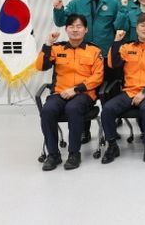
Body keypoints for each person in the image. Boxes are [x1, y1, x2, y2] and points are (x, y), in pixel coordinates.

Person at [53, 0, 121, 143]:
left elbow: (120, 25)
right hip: (83, 58)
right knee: (81, 94)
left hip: (106, 56)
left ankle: (110, 130)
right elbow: (61, 22)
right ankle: (84, 130)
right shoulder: (76, 4)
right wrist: (58, 9)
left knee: (109, 95)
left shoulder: (112, 3)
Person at [101, 13, 145, 163]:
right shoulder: (127, 47)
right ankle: (112, 146)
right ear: (136, 28)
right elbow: (112, 64)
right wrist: (116, 42)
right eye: (142, 25)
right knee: (107, 109)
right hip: (129, 91)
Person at [36, 15, 103, 171]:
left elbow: (98, 77)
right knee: (47, 110)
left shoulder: (94, 51)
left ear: (86, 30)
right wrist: (48, 44)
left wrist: (76, 89)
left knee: (73, 108)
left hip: (84, 94)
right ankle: (53, 155)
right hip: (60, 93)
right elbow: (40, 66)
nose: (75, 30)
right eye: (71, 26)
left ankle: (74, 153)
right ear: (66, 29)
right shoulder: (57, 48)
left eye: (79, 26)